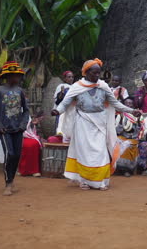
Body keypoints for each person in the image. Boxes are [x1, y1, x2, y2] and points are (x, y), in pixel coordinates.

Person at [51, 58, 141, 191]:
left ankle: (101, 181)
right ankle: (84, 181)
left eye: (98, 73)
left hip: (100, 123)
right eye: (94, 73)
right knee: (83, 153)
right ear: (86, 73)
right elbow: (65, 102)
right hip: (82, 123)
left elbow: (116, 104)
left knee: (101, 151)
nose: (97, 76)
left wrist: (131, 110)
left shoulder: (103, 86)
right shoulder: (77, 86)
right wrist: (57, 111)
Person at [0, 61, 30, 196]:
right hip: (4, 129)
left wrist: (23, 125)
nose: (16, 78)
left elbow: (26, 110)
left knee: (17, 155)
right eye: (13, 75)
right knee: (9, 154)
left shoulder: (20, 91)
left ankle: (11, 180)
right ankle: (8, 183)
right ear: (6, 76)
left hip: (18, 128)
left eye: (18, 75)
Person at [116, 98, 141, 177]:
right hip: (122, 136)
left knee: (129, 145)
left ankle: (127, 169)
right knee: (118, 143)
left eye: (130, 103)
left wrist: (139, 121)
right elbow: (117, 130)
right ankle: (118, 168)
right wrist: (121, 120)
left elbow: (138, 131)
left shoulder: (136, 116)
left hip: (132, 138)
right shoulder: (120, 115)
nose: (128, 105)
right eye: (127, 103)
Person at [18, 111, 44, 177]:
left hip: (30, 137)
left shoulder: (32, 123)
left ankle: (35, 170)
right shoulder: (24, 117)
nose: (39, 121)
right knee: (29, 144)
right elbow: (23, 130)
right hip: (21, 136)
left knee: (35, 144)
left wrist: (37, 138)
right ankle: (22, 170)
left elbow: (32, 132)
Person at [53, 70, 74, 140]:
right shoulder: (61, 86)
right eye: (69, 77)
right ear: (64, 78)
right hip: (62, 112)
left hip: (72, 112)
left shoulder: (75, 87)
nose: (71, 78)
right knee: (61, 129)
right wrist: (61, 94)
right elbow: (57, 101)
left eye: (72, 77)